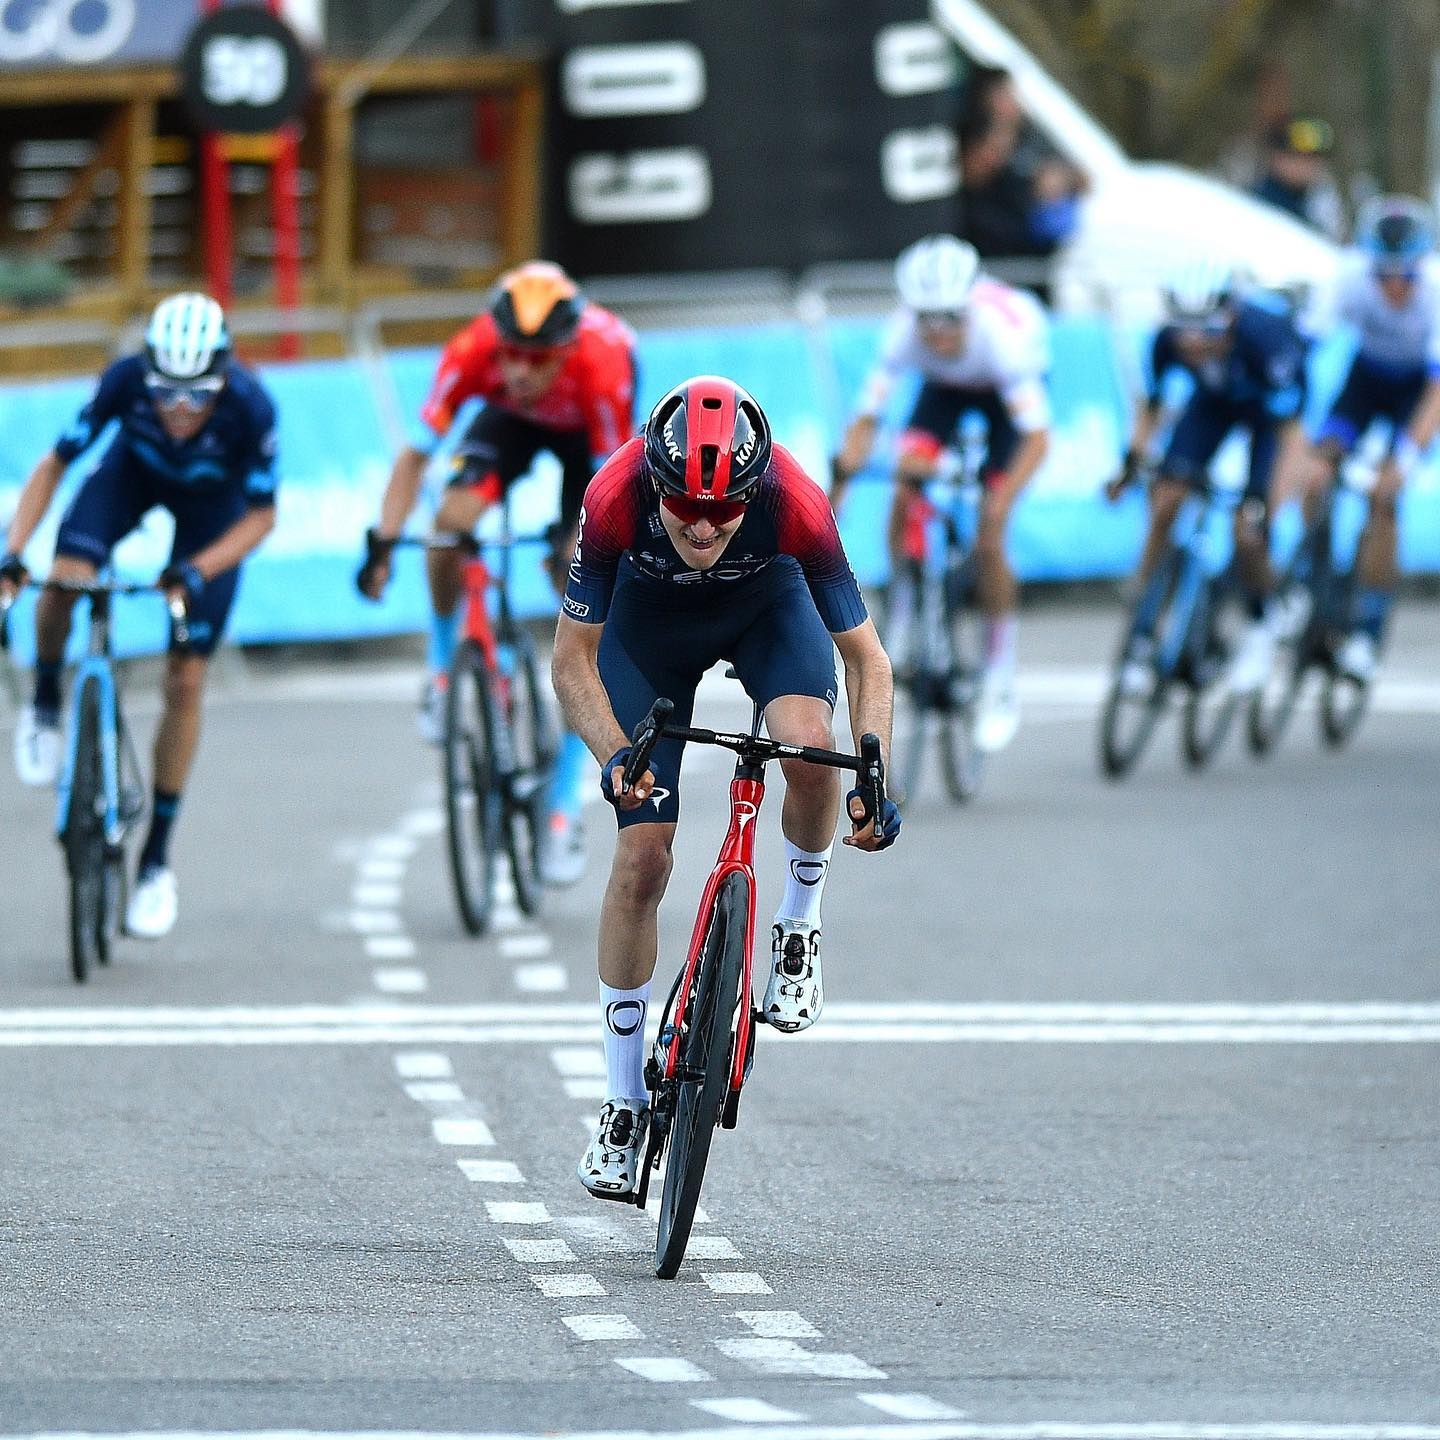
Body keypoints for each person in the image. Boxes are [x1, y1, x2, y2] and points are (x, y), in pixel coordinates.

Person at [551, 376, 900, 1199]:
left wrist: (875, 763)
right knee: (643, 854)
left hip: (766, 612)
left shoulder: (797, 502)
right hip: (647, 631)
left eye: (724, 511)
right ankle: (624, 1102)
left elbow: (866, 659)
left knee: (810, 749)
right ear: (656, 485)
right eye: (685, 510)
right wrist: (613, 756)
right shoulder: (612, 495)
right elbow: (571, 663)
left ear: (754, 487)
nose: (703, 528)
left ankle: (797, 926)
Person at [0, 293, 278, 938]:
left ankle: (155, 861)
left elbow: (263, 518)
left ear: (222, 381)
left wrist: (197, 571)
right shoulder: (124, 382)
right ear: (147, 377)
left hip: (215, 513)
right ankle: (44, 704)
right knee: (64, 581)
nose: (179, 411)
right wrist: (14, 549)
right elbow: (55, 465)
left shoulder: (251, 406)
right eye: (166, 396)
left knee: (186, 678)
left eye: (196, 396)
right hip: (132, 477)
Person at [355, 260, 637, 886]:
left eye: (540, 360)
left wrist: (578, 546)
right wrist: (382, 541)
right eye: (512, 356)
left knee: (583, 607)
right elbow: (413, 460)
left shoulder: (603, 362)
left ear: (566, 348)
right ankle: (440, 662)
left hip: (584, 443)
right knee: (452, 522)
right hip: (506, 425)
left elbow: (613, 484)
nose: (522, 371)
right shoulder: (472, 351)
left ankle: (563, 806)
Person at [830, 234, 1050, 754]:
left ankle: (1000, 669)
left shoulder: (1003, 338)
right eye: (927, 318)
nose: (938, 331)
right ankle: (903, 608)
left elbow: (1038, 440)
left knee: (993, 532)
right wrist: (838, 486)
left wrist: (1001, 501)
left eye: (949, 317)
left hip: (1004, 395)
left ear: (969, 305)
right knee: (906, 479)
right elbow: (866, 420)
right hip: (944, 392)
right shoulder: (904, 334)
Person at [1107, 258, 1308, 696]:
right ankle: (1143, 622)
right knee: (1166, 497)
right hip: (1212, 404)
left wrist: (1266, 509)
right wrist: (1130, 464)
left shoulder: (1268, 338)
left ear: (1231, 317)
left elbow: (1292, 441)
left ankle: (1261, 618)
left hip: (1268, 418)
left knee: (1249, 531)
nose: (1194, 343)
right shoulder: (1166, 342)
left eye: (1208, 332)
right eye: (1186, 332)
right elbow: (1152, 409)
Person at [1298, 195, 1440, 681]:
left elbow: (1436, 394)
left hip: (1417, 391)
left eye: (1406, 274)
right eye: (1385, 274)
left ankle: (1368, 632)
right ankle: (1306, 584)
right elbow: (1304, 351)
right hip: (1365, 381)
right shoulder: (1347, 274)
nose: (1395, 285)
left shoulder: (1437, 289)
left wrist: (1402, 459)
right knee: (1316, 474)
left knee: (1384, 499)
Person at [956, 65, 1085, 299]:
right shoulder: (972, 132)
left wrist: (1057, 182)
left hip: (1032, 271)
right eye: (1004, 93)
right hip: (993, 269)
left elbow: (1084, 176)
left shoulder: (1031, 140)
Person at [1251, 115, 1345, 241]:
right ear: (1278, 157)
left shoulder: (1315, 206)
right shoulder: (1255, 206)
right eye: (1301, 157)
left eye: (1315, 157)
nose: (1310, 165)